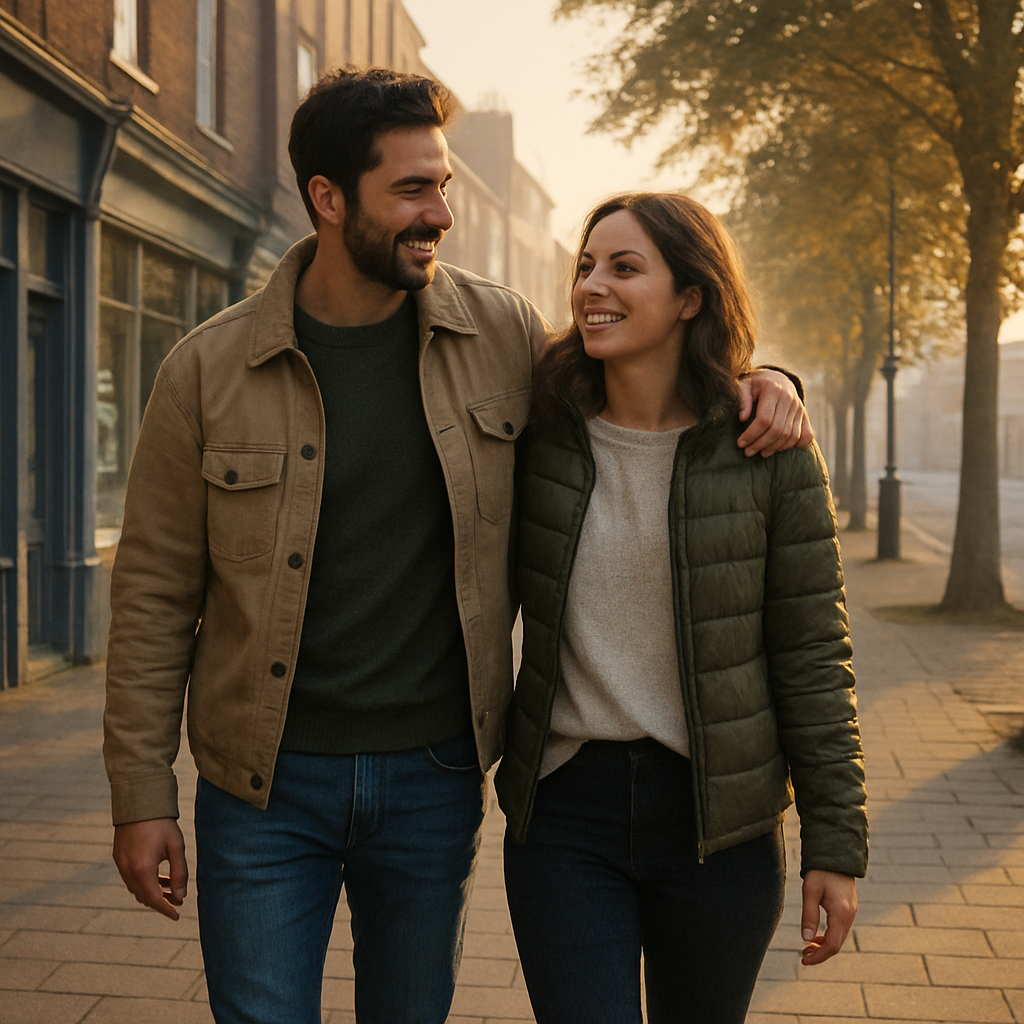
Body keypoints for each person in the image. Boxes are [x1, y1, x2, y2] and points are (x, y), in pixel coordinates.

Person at [102, 68, 811, 1024]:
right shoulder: (205, 370)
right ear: (328, 198)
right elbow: (151, 597)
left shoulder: (502, 334)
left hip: (432, 778)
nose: (440, 212)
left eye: (441, 185)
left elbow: (638, 362)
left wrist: (764, 379)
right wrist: (141, 794)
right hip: (262, 787)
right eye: (412, 190)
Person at [496, 192, 868, 1024]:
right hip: (565, 812)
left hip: (718, 822)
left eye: (625, 268)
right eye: (586, 266)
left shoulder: (768, 452)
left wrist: (835, 845)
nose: (593, 285)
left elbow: (814, 656)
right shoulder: (538, 431)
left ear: (691, 296)